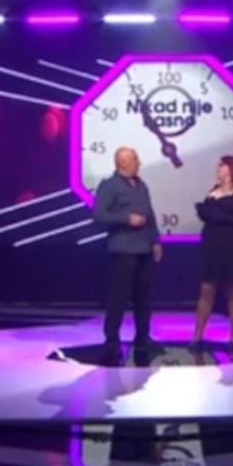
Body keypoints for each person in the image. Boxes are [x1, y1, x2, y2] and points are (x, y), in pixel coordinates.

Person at [92, 147, 162, 358]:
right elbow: (99, 215)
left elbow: (150, 214)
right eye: (135, 158)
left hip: (144, 249)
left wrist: (155, 241)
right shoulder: (109, 186)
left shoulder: (141, 185)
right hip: (122, 250)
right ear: (122, 162)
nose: (139, 162)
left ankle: (143, 338)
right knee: (118, 298)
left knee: (143, 297)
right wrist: (126, 219)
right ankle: (112, 340)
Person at [192, 155, 233, 346]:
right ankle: (197, 335)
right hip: (211, 244)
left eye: (222, 165)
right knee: (206, 288)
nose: (218, 168)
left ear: (230, 168)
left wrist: (220, 217)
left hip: (231, 245)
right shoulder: (213, 191)